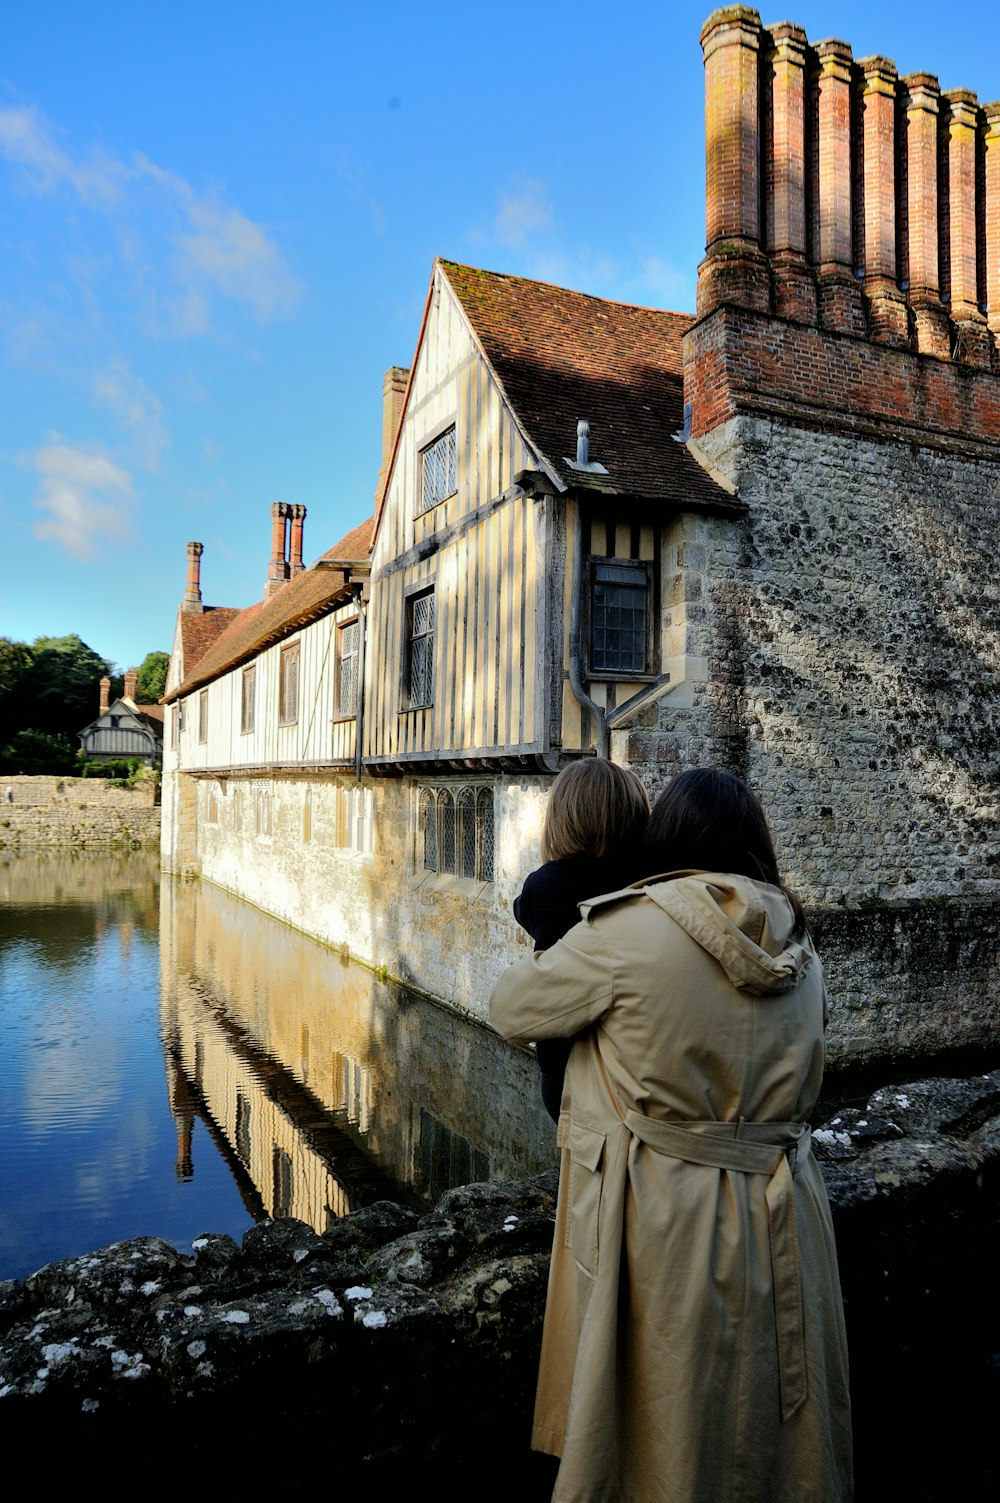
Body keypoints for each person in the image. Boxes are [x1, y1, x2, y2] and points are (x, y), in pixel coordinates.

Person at [490, 767, 853, 1503]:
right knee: (773, 1426)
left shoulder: (629, 932)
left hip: (672, 1210)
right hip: (789, 1209)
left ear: (668, 840)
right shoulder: (803, 951)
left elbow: (512, 1008)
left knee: (675, 1426)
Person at [514, 759, 650, 1122]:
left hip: (566, 1066)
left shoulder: (549, 885)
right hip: (637, 1064)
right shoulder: (645, 880)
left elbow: (522, 910)